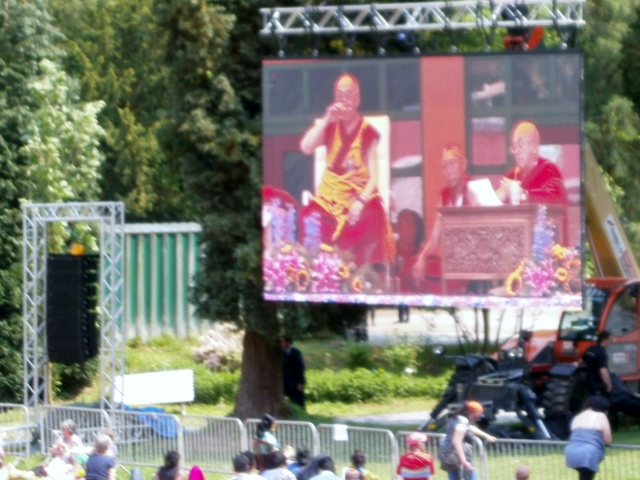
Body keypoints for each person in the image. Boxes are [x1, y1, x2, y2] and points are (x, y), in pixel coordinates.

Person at [298, 73, 395, 267]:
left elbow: (374, 177)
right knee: (307, 215)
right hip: (330, 199)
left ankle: (362, 272)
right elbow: (305, 147)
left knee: (375, 216)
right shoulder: (330, 126)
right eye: (340, 95)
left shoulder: (368, 131)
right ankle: (322, 270)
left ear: (357, 99)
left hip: (356, 199)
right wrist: (326, 119)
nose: (344, 100)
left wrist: (360, 202)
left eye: (349, 95)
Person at [412, 144, 476, 293]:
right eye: (444, 165)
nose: (448, 169)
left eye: (452, 163)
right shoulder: (445, 195)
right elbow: (435, 239)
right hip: (452, 264)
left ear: (463, 164)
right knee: (414, 267)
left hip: (473, 264)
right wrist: (422, 258)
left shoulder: (475, 190)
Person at [496, 121, 568, 206]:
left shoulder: (549, 170)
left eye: (521, 145)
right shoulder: (511, 175)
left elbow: (556, 199)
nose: (516, 151)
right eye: (514, 146)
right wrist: (496, 199)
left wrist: (523, 195)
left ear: (534, 147)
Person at [583, 330, 640, 419]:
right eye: (610, 339)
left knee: (628, 395)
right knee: (627, 401)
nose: (611, 341)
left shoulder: (591, 349)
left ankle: (633, 396)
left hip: (592, 384)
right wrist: (609, 386)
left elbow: (582, 360)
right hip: (602, 387)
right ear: (604, 340)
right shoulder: (602, 352)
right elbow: (603, 371)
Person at [437, 401, 496, 480]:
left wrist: (486, 435)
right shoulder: (462, 421)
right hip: (457, 455)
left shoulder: (457, 418)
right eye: (477, 416)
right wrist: (464, 461)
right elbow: (456, 441)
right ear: (470, 412)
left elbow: (469, 427)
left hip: (448, 455)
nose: (477, 419)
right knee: (471, 477)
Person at [564, 396, 612, 480]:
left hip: (570, 452)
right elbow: (607, 440)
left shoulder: (577, 417)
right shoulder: (600, 415)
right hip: (588, 453)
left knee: (584, 476)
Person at [281, 337, 306, 409]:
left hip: (294, 380)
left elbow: (300, 367)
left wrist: (300, 382)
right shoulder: (282, 352)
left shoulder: (296, 352)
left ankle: (300, 412)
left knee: (297, 398)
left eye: (283, 342)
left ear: (288, 342)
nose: (281, 344)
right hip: (285, 379)